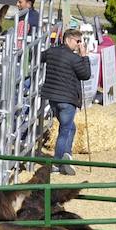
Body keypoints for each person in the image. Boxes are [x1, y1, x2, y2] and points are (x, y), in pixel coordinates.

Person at [39, 28, 92, 176]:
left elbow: (38, 56)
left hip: (53, 98)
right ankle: (57, 163)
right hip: (67, 99)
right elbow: (86, 75)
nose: (79, 44)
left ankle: (65, 155)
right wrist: (84, 56)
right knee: (65, 130)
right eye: (77, 41)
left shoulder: (51, 52)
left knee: (70, 127)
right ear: (68, 40)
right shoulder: (75, 58)